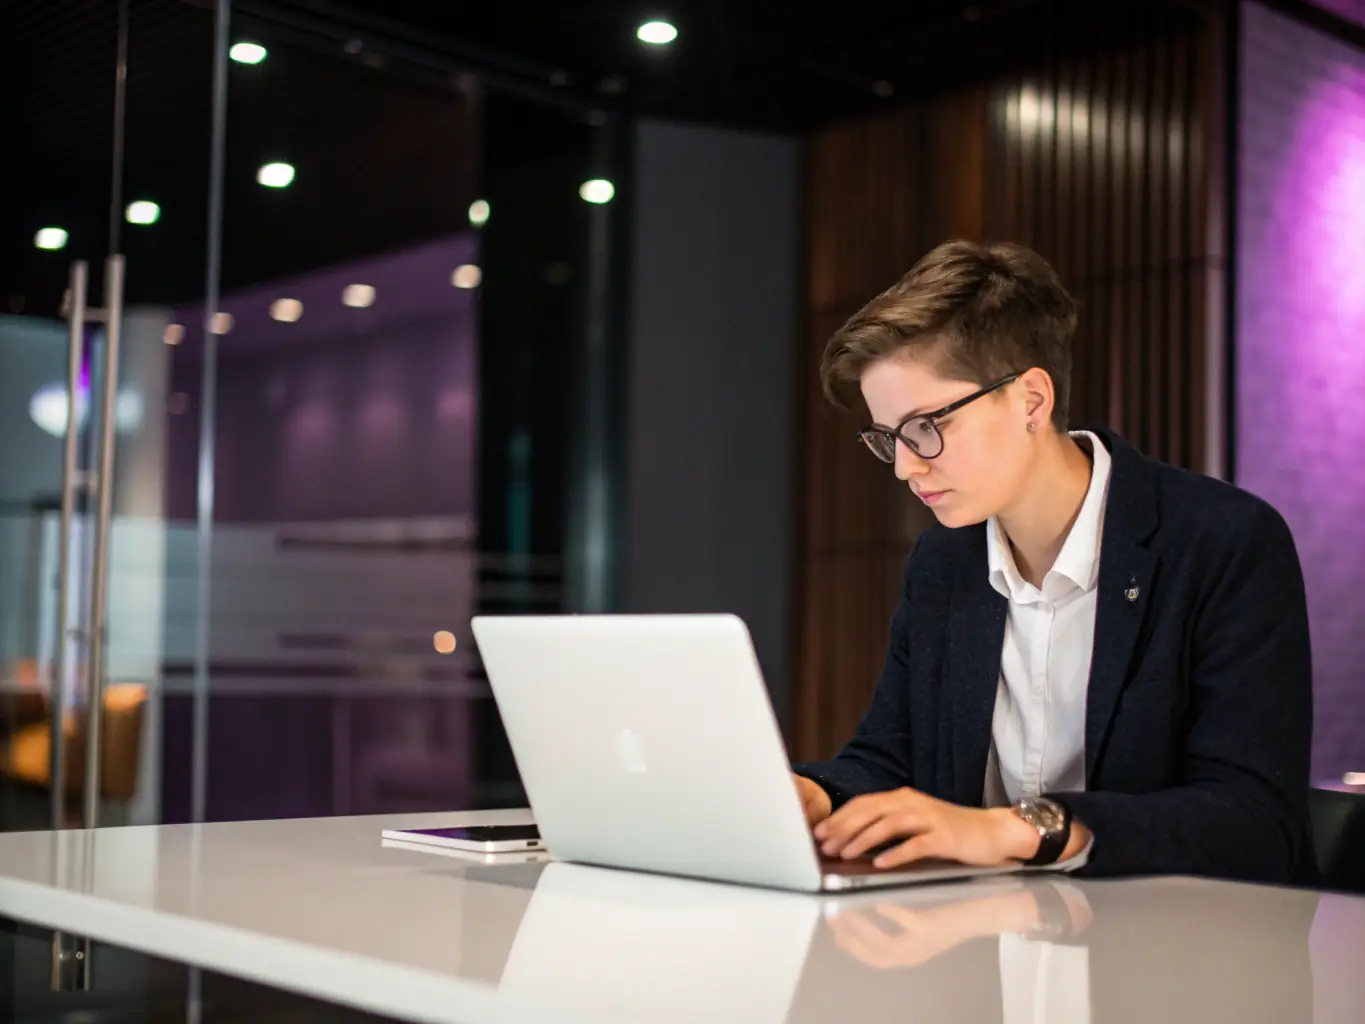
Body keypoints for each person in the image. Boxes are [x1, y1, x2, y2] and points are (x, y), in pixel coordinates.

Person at [791, 239, 1315, 883]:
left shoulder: (1222, 542)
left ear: (1031, 400)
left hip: (1174, 947)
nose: (905, 466)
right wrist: (818, 796)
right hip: (983, 943)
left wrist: (1019, 829)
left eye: (926, 427)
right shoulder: (945, 560)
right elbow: (892, 757)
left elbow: (1254, 822)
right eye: (889, 438)